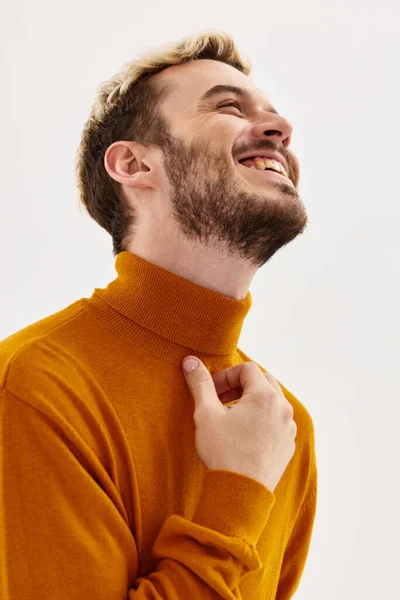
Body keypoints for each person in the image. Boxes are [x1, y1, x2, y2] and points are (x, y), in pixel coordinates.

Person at [0, 30, 317, 599]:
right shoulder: (34, 386)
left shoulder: (283, 426)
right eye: (227, 105)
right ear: (133, 164)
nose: (280, 128)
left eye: (273, 114)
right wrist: (238, 490)